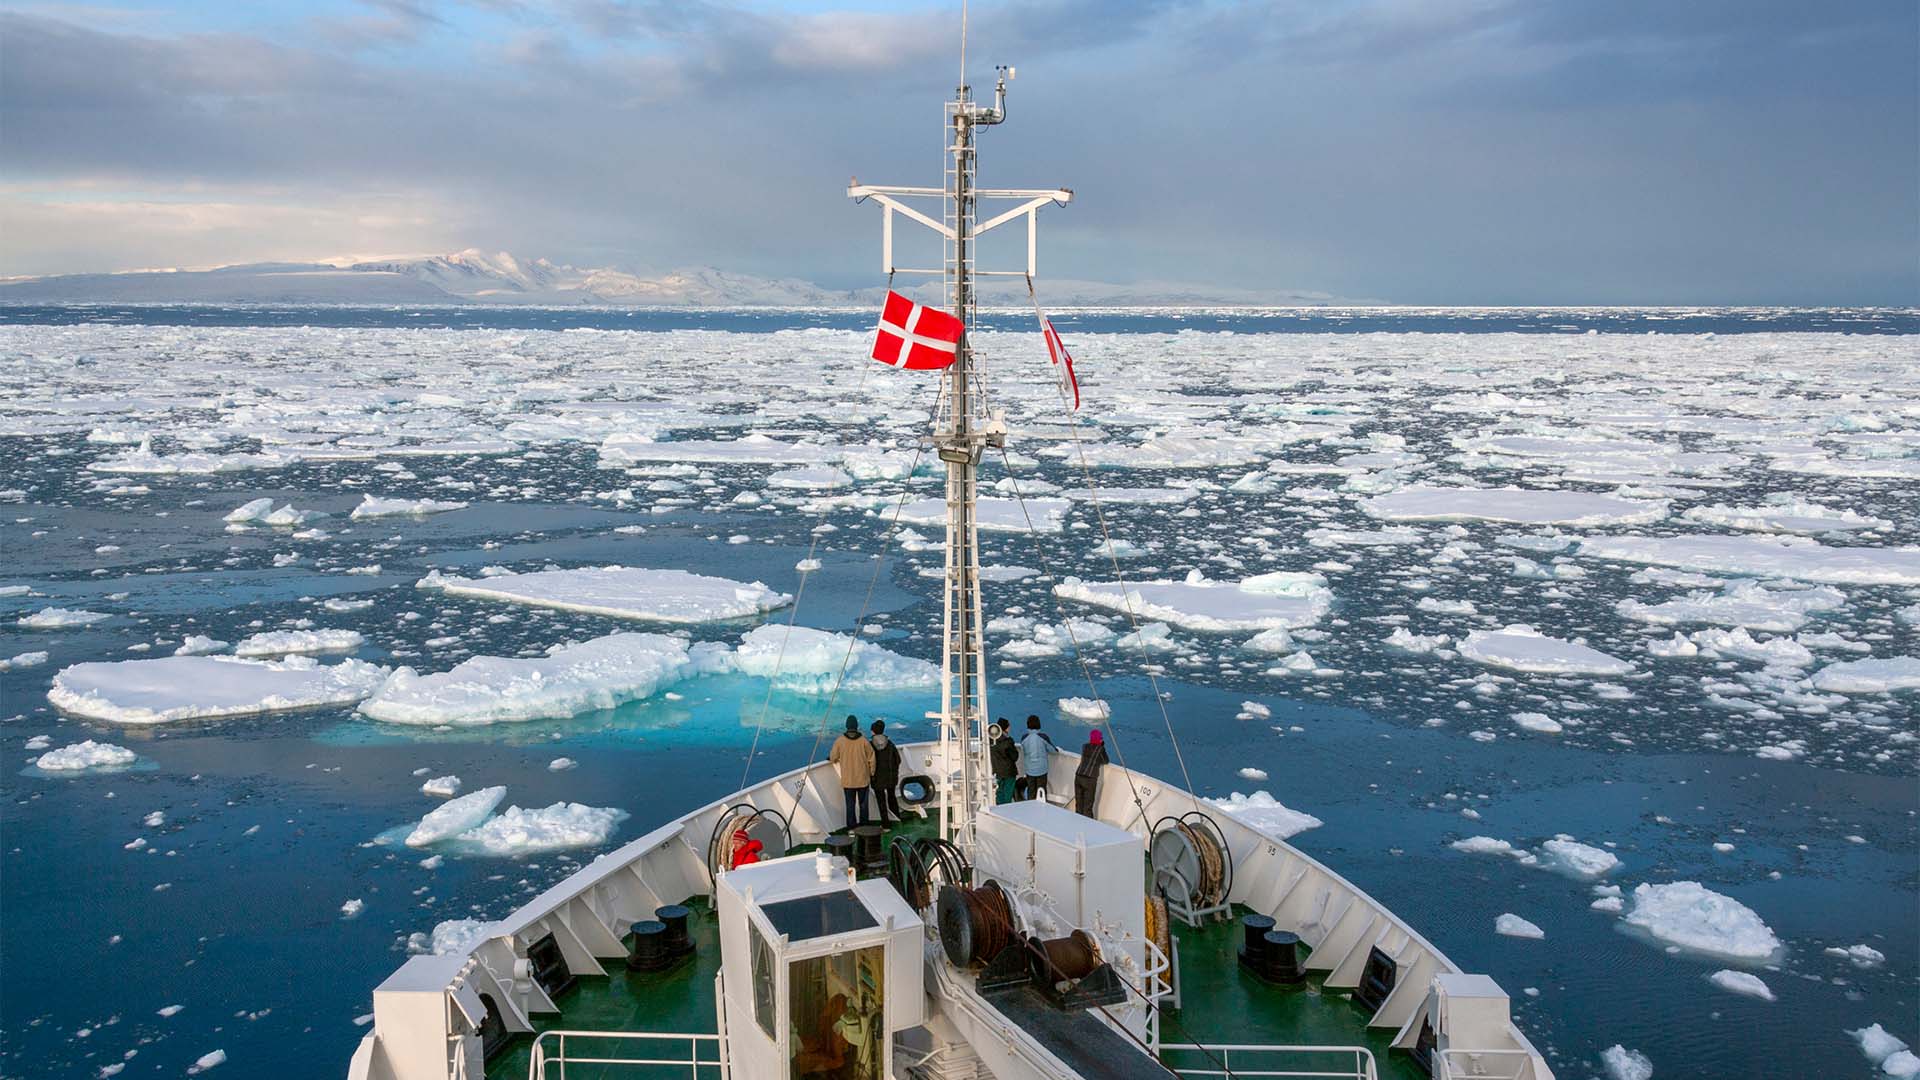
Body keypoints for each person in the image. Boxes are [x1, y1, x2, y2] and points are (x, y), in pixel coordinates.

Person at [829, 714, 875, 827]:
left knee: (850, 805)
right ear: (857, 726)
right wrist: (871, 773)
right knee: (863, 805)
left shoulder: (840, 741)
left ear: (846, 726)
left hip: (848, 781)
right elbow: (872, 759)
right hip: (863, 779)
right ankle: (864, 826)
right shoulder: (864, 741)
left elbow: (833, 757)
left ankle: (851, 828)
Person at [868, 720, 902, 825]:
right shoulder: (890, 744)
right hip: (891, 777)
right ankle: (896, 818)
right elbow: (898, 760)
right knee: (892, 797)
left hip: (877, 778)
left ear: (873, 731)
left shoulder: (870, 745)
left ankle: (886, 824)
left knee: (881, 801)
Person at [1074, 729, 1109, 818]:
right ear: (1099, 739)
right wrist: (1102, 746)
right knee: (1088, 807)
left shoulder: (1084, 746)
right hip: (1090, 779)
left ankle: (1076, 824)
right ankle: (1087, 828)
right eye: (1100, 738)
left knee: (1079, 804)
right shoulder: (1100, 749)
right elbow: (1105, 761)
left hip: (1079, 776)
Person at [1019, 715, 1054, 801]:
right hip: (1041, 769)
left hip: (1029, 770)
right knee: (1041, 791)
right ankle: (1041, 810)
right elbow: (1053, 750)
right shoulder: (1043, 737)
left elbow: (1023, 749)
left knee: (1031, 791)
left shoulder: (1024, 738)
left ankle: (1031, 809)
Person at [988, 720, 1019, 804]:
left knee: (999, 793)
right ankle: (1006, 812)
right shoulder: (1008, 741)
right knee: (1008, 794)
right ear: (1006, 728)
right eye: (1009, 726)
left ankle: (1000, 810)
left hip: (997, 771)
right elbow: (1015, 757)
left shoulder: (990, 741)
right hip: (1009, 772)